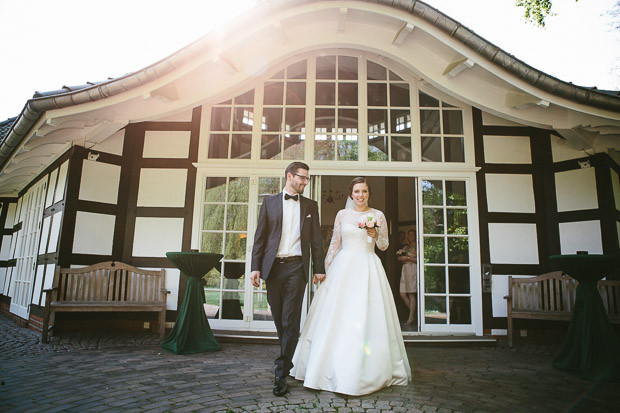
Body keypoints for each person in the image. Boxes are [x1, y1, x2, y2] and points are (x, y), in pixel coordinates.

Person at [291, 177, 411, 395]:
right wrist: (324, 269)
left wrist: (375, 235)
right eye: (356, 191)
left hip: (368, 266)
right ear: (351, 194)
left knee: (367, 315)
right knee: (338, 315)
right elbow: (335, 243)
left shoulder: (378, 215)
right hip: (343, 268)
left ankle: (366, 369)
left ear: (368, 194)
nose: (360, 195)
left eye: (364, 191)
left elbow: (384, 246)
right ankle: (328, 366)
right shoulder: (342, 215)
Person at [250, 162, 325, 397]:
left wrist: (319, 269)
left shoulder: (311, 206)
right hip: (272, 268)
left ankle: (281, 372)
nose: (305, 182)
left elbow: (316, 241)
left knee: (290, 320)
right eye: (302, 178)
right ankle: (288, 356)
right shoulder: (270, 202)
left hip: (296, 267)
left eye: (307, 179)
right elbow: (260, 238)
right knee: (279, 319)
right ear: (289, 176)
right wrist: (255, 268)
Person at [398, 228, 417, 326]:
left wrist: (407, 258)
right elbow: (399, 257)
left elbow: (419, 259)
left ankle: (411, 317)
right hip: (404, 269)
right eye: (409, 235)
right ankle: (415, 314)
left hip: (412, 269)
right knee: (402, 293)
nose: (410, 236)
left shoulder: (417, 245)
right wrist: (401, 258)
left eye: (412, 234)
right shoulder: (406, 247)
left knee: (411, 293)